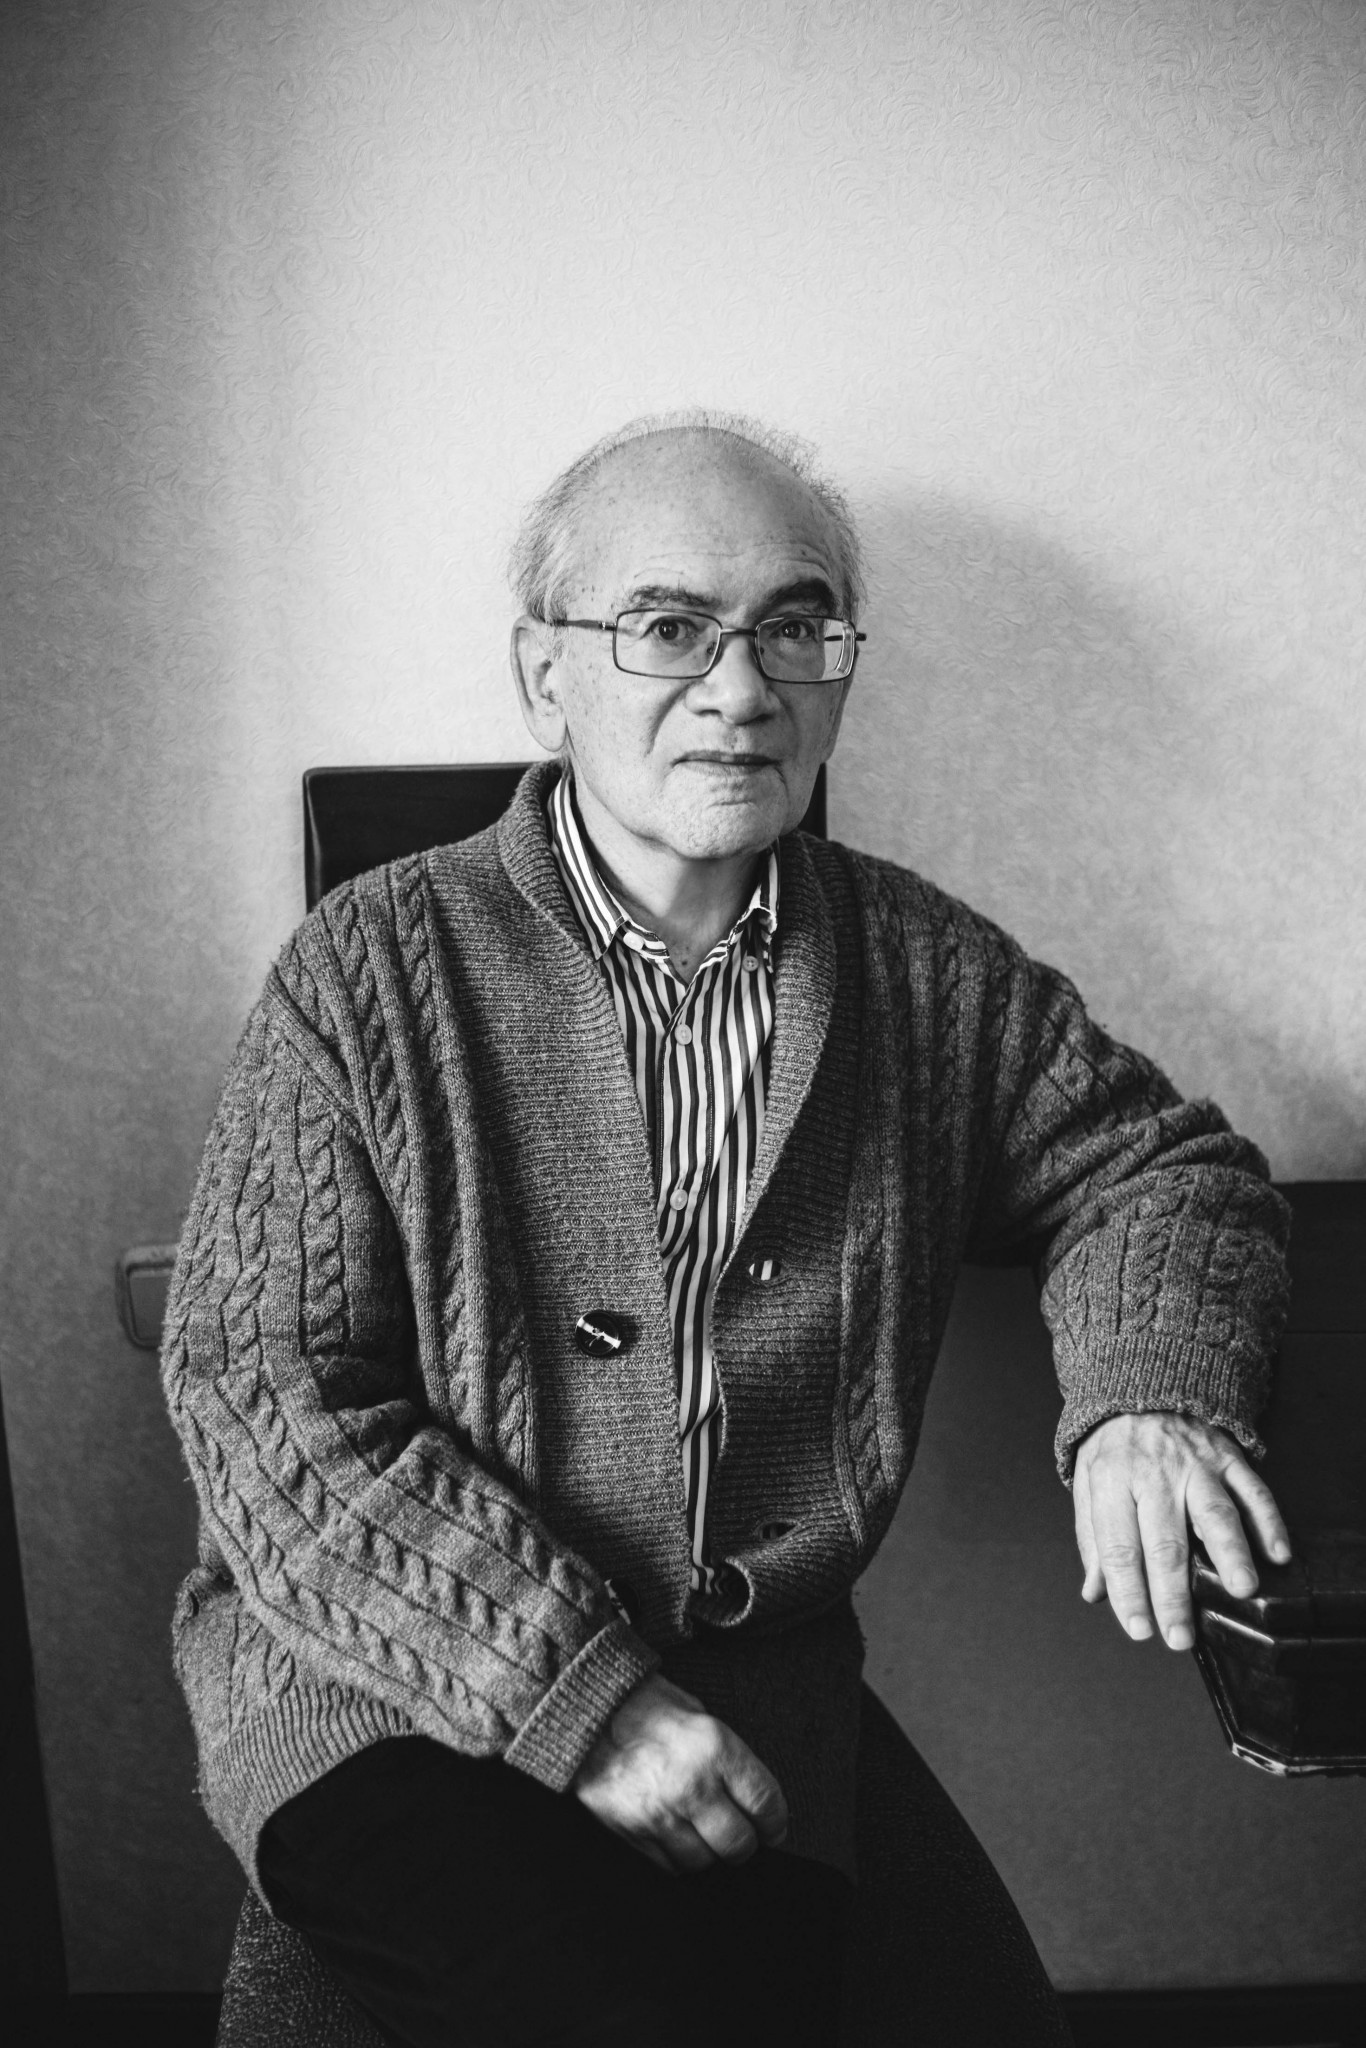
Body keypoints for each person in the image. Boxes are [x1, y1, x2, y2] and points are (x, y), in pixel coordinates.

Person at [162, 409, 1292, 2047]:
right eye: (668, 626)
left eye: (794, 624)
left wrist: (1147, 1392)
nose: (742, 686)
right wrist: (588, 1705)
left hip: (754, 1692)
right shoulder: (367, 967)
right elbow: (261, 1401)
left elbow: (1161, 1168)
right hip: (383, 1678)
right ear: (544, 674)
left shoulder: (924, 970)